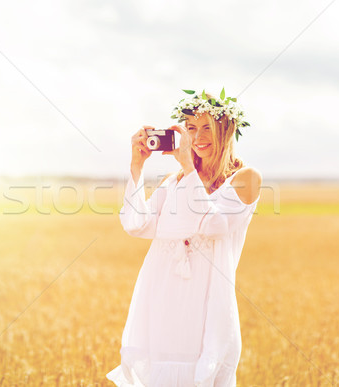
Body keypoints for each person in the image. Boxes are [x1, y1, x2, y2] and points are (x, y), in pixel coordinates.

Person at [106, 89, 262, 386]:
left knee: (199, 367)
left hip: (205, 294)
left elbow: (212, 224)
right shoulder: (174, 180)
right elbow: (137, 225)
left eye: (207, 128)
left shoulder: (245, 177)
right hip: (162, 290)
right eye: (191, 128)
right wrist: (136, 167)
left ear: (227, 131)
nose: (198, 136)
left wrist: (188, 167)